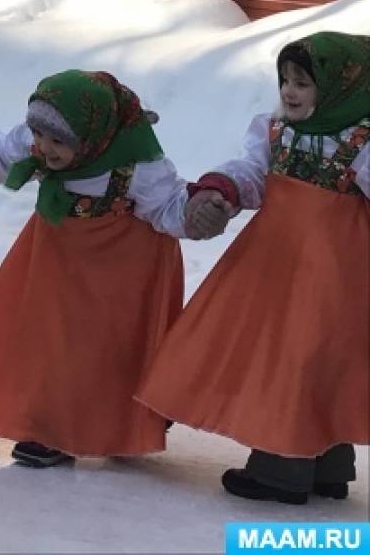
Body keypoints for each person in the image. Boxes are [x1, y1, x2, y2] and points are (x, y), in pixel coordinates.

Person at [0, 71, 196, 468]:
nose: (44, 149)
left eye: (59, 141)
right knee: (51, 340)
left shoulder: (136, 166)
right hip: (57, 262)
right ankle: (48, 429)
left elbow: (169, 206)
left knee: (110, 349)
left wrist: (197, 214)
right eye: (39, 136)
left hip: (122, 273)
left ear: (94, 136)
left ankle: (121, 423)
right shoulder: (38, 143)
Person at [137, 32, 369, 505]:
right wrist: (220, 192)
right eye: (285, 80)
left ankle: (280, 471)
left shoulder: (362, 142)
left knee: (301, 358)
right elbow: (252, 173)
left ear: (344, 88)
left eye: (303, 83)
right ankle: (326, 465)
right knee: (290, 356)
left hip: (331, 272)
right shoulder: (275, 129)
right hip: (273, 262)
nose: (289, 91)